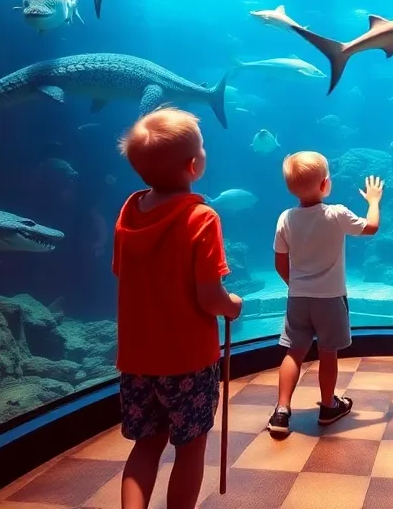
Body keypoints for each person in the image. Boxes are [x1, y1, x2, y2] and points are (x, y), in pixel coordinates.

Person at [112, 109, 243, 509]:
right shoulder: (201, 217)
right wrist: (232, 306)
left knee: (146, 445)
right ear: (193, 165)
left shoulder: (129, 213)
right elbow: (209, 297)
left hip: (137, 360)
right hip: (188, 362)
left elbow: (123, 273)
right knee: (190, 447)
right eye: (202, 147)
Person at [268, 151, 384, 438]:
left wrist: (296, 285)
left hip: (298, 298)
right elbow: (371, 228)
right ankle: (329, 406)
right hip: (330, 300)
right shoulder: (336, 213)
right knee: (327, 353)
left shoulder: (285, 218)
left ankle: (281, 410)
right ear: (325, 184)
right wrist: (373, 201)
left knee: (294, 352)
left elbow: (279, 262)